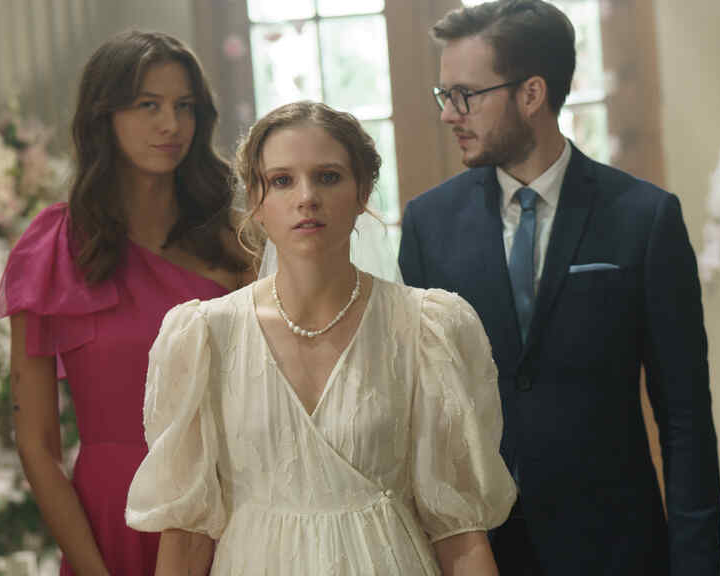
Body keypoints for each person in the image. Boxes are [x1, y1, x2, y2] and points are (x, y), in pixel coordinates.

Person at [398, 1, 720, 574]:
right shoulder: (429, 224)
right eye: (444, 95)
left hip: (616, 548)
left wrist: (696, 564)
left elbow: (685, 416)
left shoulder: (644, 219)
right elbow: (421, 413)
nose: (449, 114)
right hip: (481, 552)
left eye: (465, 95)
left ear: (531, 94)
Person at [125, 101, 516, 575]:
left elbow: (459, 530)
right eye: (282, 180)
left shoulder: (427, 328)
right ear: (255, 202)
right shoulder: (205, 336)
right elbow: (186, 535)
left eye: (328, 177)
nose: (306, 197)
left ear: (362, 192)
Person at [0, 30, 253, 576]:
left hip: (231, 510)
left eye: (184, 106)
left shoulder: (236, 243)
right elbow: (37, 444)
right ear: (103, 116)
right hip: (111, 516)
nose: (171, 125)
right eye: (148, 105)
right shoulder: (52, 251)